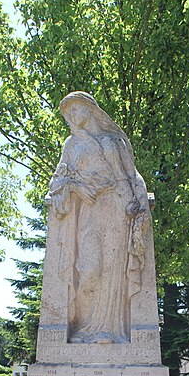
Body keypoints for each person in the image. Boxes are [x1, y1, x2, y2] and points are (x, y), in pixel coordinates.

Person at [47, 91, 151, 344]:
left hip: (118, 206)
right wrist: (76, 187)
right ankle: (84, 327)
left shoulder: (114, 140)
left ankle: (109, 329)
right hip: (89, 210)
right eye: (68, 111)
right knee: (90, 269)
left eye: (76, 108)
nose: (72, 115)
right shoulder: (71, 145)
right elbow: (57, 182)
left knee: (111, 269)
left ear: (90, 109)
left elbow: (132, 174)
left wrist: (141, 200)